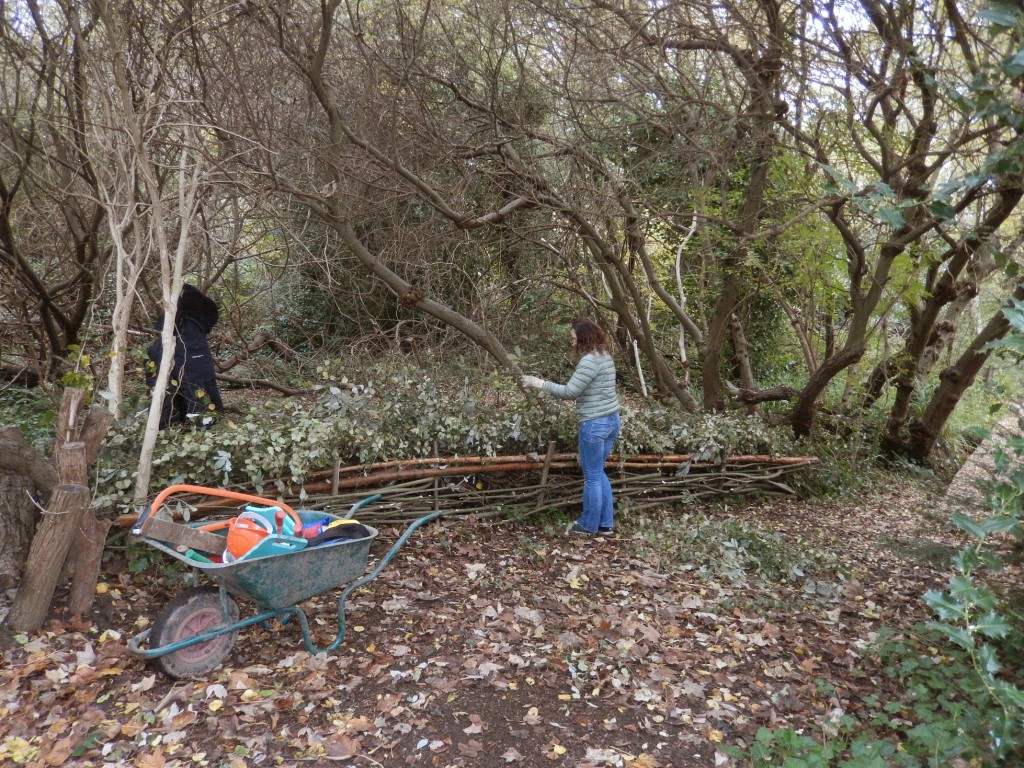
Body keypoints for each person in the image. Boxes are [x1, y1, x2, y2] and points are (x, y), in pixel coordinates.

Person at [521, 318, 621, 536]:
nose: (571, 341)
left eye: (573, 337)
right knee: (599, 472)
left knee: (592, 475)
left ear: (583, 337)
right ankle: (605, 524)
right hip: (611, 420)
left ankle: (587, 526)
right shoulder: (604, 356)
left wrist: (538, 383)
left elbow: (570, 392)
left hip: (595, 424)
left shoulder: (589, 361)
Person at [145, 284, 224, 429]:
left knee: (194, 395)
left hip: (190, 363)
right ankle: (175, 430)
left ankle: (191, 430)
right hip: (183, 362)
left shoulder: (190, 328)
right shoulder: (180, 326)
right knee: (182, 395)